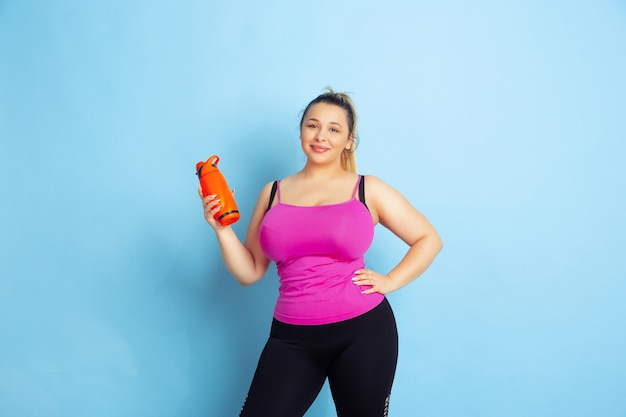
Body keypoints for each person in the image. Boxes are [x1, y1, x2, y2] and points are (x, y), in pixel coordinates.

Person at [199, 88, 443, 417]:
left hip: (364, 332)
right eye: (313, 125)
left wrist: (390, 281)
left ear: (348, 140)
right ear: (301, 130)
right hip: (292, 338)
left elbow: (428, 238)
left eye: (334, 129)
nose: (321, 136)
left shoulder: (367, 189)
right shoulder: (272, 193)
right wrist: (222, 229)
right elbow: (250, 271)